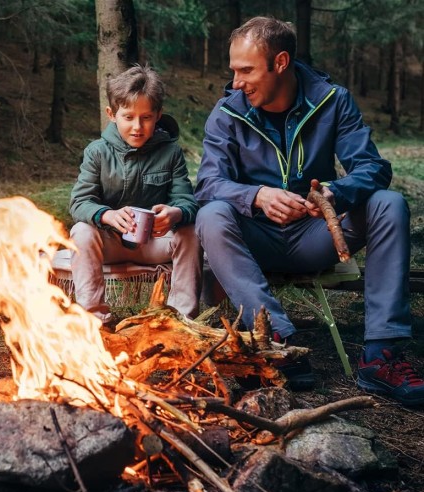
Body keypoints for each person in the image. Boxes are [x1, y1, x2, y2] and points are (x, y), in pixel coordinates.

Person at [195, 16, 424, 404]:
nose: (236, 82)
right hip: (256, 237)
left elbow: (373, 168)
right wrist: (258, 197)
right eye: (233, 70)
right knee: (211, 215)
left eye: (246, 70)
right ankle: (278, 341)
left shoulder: (332, 101)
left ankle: (381, 355)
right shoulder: (226, 113)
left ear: (280, 63)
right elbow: (207, 184)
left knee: (389, 204)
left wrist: (337, 193)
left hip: (318, 233)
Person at [69, 64, 202, 328]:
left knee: (190, 232)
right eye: (128, 117)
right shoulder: (97, 152)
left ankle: (181, 321)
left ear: (158, 115)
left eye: (146, 118)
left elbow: (187, 201)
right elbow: (79, 202)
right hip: (111, 243)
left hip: (155, 243)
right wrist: (106, 215)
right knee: (81, 231)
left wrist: (176, 213)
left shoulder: (170, 152)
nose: (137, 127)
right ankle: (94, 321)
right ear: (112, 114)